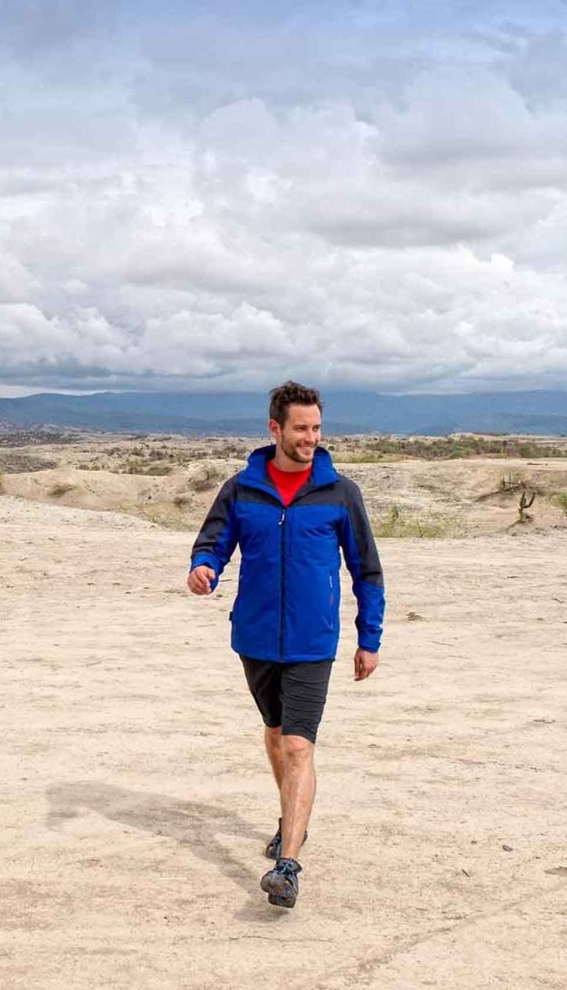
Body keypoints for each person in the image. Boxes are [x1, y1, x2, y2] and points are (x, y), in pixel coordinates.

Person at [187, 381, 385, 909]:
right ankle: (290, 817)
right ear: (275, 428)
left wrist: (369, 638)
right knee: (276, 734)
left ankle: (288, 866)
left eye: (317, 428)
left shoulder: (340, 493)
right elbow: (213, 543)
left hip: (312, 641)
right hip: (254, 638)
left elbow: (367, 571)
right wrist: (203, 567)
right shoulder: (242, 489)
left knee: (299, 745)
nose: (311, 438)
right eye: (301, 428)